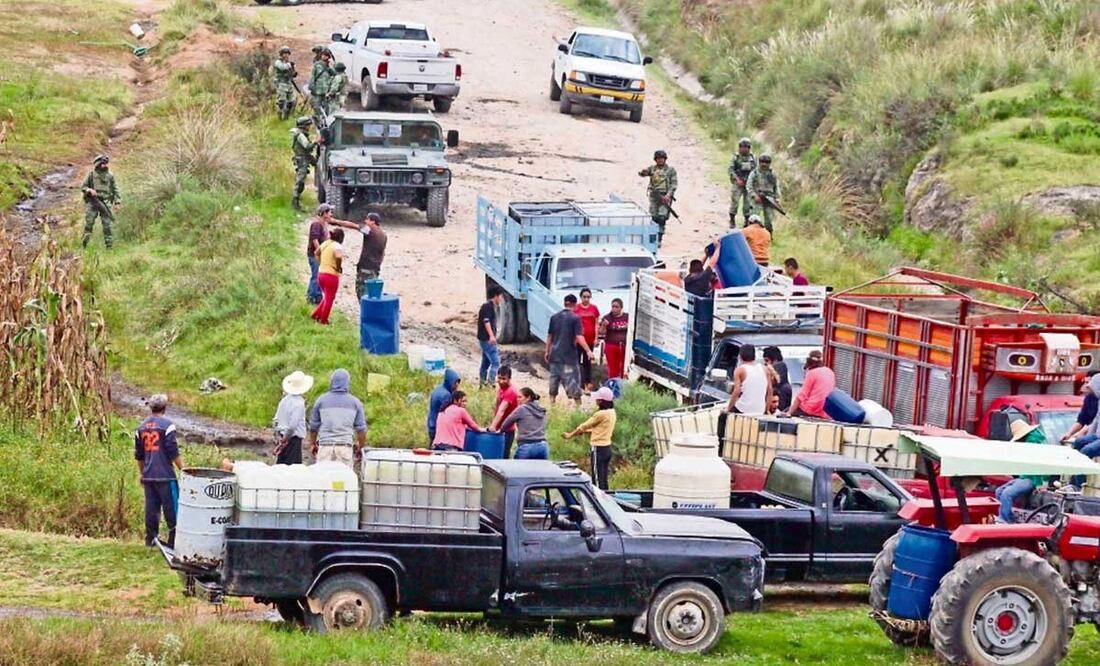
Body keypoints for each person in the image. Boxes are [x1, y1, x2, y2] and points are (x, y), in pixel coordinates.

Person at [135, 394, 183, 548]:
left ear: (151, 407)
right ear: (164, 407)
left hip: (149, 476)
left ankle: (151, 539)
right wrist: (185, 469)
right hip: (165, 475)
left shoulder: (141, 427)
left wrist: (142, 474)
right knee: (173, 509)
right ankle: (173, 541)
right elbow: (172, 451)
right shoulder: (168, 426)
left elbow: (139, 455)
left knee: (151, 509)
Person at [308, 368, 367, 468]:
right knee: (343, 481)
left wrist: (313, 444)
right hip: (344, 448)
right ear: (348, 383)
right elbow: (361, 430)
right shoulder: (355, 403)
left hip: (325, 447)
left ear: (332, 382)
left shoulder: (321, 400)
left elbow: (313, 427)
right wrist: (361, 448)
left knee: (322, 480)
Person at [995, 420, 1051, 523]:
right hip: (1025, 477)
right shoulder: (1032, 442)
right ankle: (1006, 515)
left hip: (1032, 479)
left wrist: (1040, 484)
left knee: (1006, 493)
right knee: (999, 491)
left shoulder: (1033, 444)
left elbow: (1039, 467)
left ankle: (1006, 520)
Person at [563, 386, 618, 490]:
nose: (596, 400)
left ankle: (598, 502)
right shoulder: (612, 413)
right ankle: (607, 500)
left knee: (596, 480)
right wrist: (585, 432)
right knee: (603, 479)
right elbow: (600, 430)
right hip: (607, 448)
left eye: (598, 399)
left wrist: (570, 435)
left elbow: (584, 426)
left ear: (601, 401)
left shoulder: (600, 414)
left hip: (598, 448)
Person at [545, 294, 593, 406]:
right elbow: (579, 337)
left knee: (554, 379)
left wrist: (547, 351)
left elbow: (550, 336)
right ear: (574, 304)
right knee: (573, 381)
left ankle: (552, 404)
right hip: (568, 357)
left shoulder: (554, 317)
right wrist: (588, 351)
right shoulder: (575, 318)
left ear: (565, 303)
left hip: (554, 355)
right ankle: (578, 407)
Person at [307, 203, 359, 304]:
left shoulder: (325, 221)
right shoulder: (316, 224)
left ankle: (317, 297)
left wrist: (357, 227)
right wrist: (321, 253)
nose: (331, 214)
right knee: (316, 276)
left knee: (319, 275)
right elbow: (314, 239)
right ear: (324, 213)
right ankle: (311, 297)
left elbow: (341, 223)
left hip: (319, 255)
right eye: (330, 212)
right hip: (315, 255)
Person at [638, 149, 678, 246]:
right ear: (655, 160)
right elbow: (642, 174)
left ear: (665, 159)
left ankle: (659, 238)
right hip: (654, 196)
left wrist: (668, 195)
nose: (660, 160)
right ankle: (652, 237)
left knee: (662, 217)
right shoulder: (652, 169)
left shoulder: (670, 170)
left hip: (665, 196)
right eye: (658, 159)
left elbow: (674, 184)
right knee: (653, 217)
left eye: (662, 158)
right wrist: (643, 172)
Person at [273, 370, 313, 465]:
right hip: (292, 439)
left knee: (281, 467)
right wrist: (285, 440)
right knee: (293, 470)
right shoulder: (299, 403)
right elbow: (292, 426)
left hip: (283, 436)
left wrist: (279, 437)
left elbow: (275, 421)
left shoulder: (284, 400)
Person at [81, 154, 121, 249]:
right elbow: (83, 187)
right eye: (103, 163)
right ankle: (84, 245)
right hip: (93, 202)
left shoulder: (110, 176)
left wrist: (118, 202)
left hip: (105, 202)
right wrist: (89, 190)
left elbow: (115, 189)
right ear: (98, 164)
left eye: (106, 163)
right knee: (89, 224)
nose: (105, 165)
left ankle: (109, 247)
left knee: (107, 226)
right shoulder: (91, 175)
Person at [500, 387, 549, 460]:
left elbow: (505, 424)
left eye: (520, 397)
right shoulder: (542, 410)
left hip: (527, 447)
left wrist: (501, 431)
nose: (517, 399)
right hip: (543, 447)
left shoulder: (522, 409)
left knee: (517, 470)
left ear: (528, 398)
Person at [1069, 373, 1100, 486]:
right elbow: (1096, 419)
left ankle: (1080, 485)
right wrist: (1089, 436)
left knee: (1085, 452)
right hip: (1097, 436)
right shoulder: (1097, 399)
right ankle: (1074, 478)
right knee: (1079, 442)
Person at [723, 344, 772, 416]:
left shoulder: (740, 370)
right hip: (760, 410)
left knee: (722, 416)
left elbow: (736, 391)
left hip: (743, 408)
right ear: (754, 356)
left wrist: (728, 409)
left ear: (740, 356)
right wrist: (766, 410)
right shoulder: (765, 369)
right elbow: (770, 391)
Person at [786, 350, 834, 418]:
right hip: (825, 412)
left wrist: (789, 413)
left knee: (784, 413)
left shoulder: (811, 373)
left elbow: (801, 395)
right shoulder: (830, 372)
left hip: (810, 409)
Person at [311, 228, 345, 325]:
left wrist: (321, 263)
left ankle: (316, 314)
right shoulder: (337, 245)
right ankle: (324, 320)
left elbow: (316, 253)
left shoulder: (326, 243)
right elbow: (338, 256)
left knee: (327, 297)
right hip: (331, 276)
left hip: (321, 274)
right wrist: (338, 267)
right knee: (330, 299)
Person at [354, 212, 387, 301]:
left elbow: (353, 226)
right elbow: (383, 253)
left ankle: (366, 313)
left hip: (365, 268)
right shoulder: (383, 235)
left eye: (367, 219)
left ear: (372, 222)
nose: (365, 221)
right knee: (372, 294)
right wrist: (378, 265)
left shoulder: (369, 230)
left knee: (362, 294)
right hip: (375, 269)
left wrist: (335, 221)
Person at [490, 366, 520, 457]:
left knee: (503, 456)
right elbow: (497, 406)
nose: (501, 381)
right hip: (499, 429)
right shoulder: (501, 389)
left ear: (509, 379)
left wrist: (492, 426)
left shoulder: (511, 391)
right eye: (499, 378)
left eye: (504, 379)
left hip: (507, 431)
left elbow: (501, 410)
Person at [747, 153, 781, 234]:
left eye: (766, 162)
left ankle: (768, 235)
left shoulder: (773, 174)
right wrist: (754, 195)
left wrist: (777, 198)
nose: (764, 164)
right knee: (754, 218)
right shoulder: (754, 173)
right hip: (757, 198)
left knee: (769, 220)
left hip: (769, 198)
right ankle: (751, 234)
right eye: (762, 161)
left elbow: (776, 187)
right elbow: (749, 185)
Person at [575, 288, 601, 392]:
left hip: (590, 339)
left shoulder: (594, 308)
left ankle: (587, 383)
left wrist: (596, 338)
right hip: (578, 340)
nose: (586, 299)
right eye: (584, 297)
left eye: (588, 297)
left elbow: (596, 324)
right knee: (576, 361)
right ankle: (577, 383)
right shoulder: (576, 309)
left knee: (587, 362)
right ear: (581, 297)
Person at [1063, 371, 1100, 443]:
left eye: (1088, 382)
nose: (1086, 386)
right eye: (1085, 382)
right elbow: (1081, 420)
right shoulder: (1088, 398)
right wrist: (1069, 434)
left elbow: (1096, 421)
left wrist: (1082, 433)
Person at [728, 137, 757, 228]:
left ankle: (746, 222)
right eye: (742, 146)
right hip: (738, 183)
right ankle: (732, 220)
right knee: (735, 201)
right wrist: (737, 179)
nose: (744, 149)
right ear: (739, 147)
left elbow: (756, 171)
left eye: (746, 147)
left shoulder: (753, 158)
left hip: (748, 184)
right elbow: (731, 170)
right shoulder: (736, 157)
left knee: (748, 204)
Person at [478, 287, 504, 386]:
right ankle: (490, 384)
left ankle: (482, 383)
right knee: (496, 363)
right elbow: (486, 321)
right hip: (487, 339)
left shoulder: (488, 306)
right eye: (500, 296)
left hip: (484, 339)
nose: (501, 299)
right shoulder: (488, 306)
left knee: (485, 362)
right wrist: (491, 336)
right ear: (496, 296)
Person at [291, 117, 317, 211]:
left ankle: (296, 202)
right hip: (302, 160)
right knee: (300, 181)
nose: (309, 127)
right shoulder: (300, 135)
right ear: (304, 126)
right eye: (308, 125)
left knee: (300, 181)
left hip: (302, 158)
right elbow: (307, 147)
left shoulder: (299, 133)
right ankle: (295, 203)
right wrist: (316, 142)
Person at [427, 368, 460, 444]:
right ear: (450, 382)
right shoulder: (446, 395)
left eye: (458, 382)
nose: (457, 385)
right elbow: (450, 414)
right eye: (455, 383)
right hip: (437, 427)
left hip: (431, 424)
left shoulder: (438, 389)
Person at [599, 298, 629, 380]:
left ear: (621, 308)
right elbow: (601, 332)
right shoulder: (607, 317)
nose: (614, 309)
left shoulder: (627, 317)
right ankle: (613, 384)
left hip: (623, 345)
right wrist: (604, 325)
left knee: (623, 367)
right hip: (611, 345)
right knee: (612, 368)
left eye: (616, 307)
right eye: (613, 306)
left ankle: (622, 384)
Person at [763, 346, 792, 412]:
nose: (765, 364)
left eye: (767, 360)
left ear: (775, 360)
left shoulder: (781, 389)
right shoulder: (785, 386)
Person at [271, 46, 297, 120]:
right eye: (284, 53)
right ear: (281, 54)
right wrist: (290, 65)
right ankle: (279, 117)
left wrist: (294, 72)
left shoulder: (289, 63)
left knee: (290, 102)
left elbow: (292, 74)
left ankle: (286, 117)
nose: (286, 55)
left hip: (289, 84)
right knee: (281, 102)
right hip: (281, 84)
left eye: (287, 53)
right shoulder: (278, 62)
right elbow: (282, 67)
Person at [311, 49, 334, 113]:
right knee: (316, 106)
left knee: (327, 107)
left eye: (326, 55)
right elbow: (313, 76)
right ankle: (318, 118)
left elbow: (334, 74)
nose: (324, 57)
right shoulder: (317, 65)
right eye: (323, 55)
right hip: (318, 89)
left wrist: (330, 65)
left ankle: (326, 119)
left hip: (327, 90)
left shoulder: (330, 65)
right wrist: (312, 87)